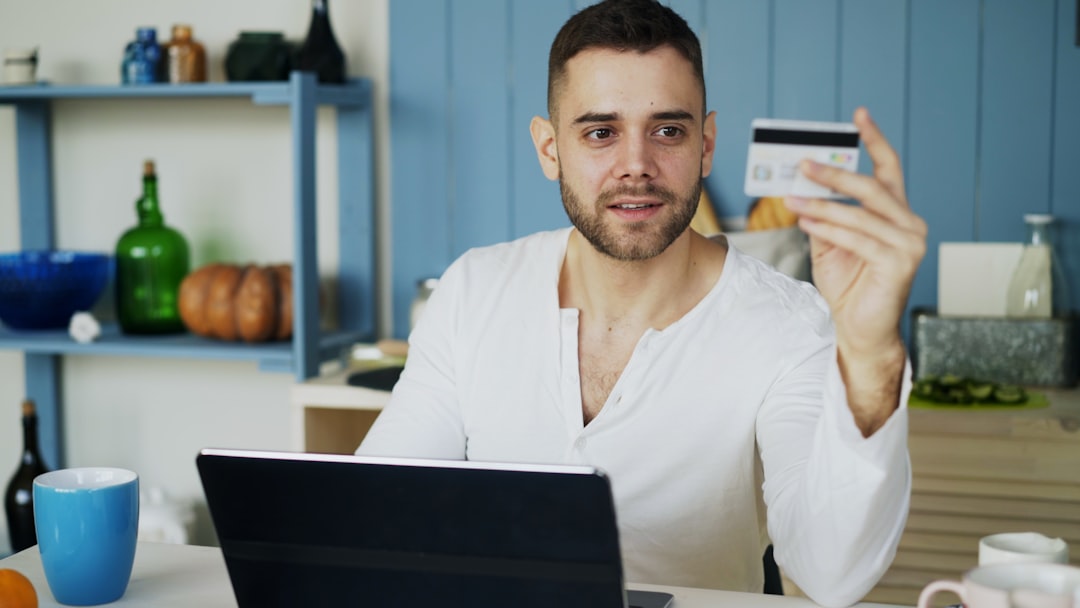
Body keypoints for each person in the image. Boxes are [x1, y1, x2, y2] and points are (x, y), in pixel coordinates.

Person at [357, 1, 927, 606]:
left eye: (667, 131)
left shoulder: (789, 325)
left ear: (705, 145)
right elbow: (373, 513)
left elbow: (833, 574)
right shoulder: (473, 292)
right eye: (601, 132)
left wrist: (869, 353)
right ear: (550, 149)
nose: (636, 166)